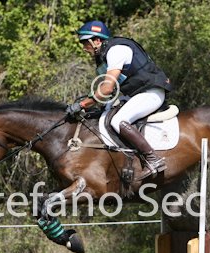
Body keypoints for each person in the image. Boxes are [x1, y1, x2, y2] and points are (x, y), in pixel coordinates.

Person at [66, 20, 173, 178]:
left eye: (85, 43)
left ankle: (153, 159)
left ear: (97, 41)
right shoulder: (104, 56)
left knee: (118, 121)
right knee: (105, 114)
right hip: (136, 94)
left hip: (151, 92)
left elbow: (107, 89)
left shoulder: (116, 50)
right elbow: (110, 92)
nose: (84, 47)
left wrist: (82, 104)